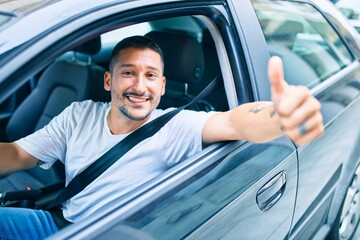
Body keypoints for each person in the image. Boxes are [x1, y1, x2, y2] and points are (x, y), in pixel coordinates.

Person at [0, 35, 323, 238]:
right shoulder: (79, 114)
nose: (140, 87)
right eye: (129, 73)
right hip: (55, 223)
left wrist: (279, 117)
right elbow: (16, 154)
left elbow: (234, 123)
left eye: (151, 76)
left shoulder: (173, 127)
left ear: (163, 86)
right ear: (109, 81)